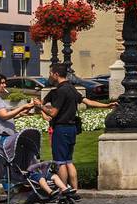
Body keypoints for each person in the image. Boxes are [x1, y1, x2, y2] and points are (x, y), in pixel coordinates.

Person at [33, 63, 115, 194]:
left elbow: (53, 113)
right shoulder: (71, 88)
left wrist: (40, 107)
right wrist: (106, 106)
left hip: (61, 129)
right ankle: (74, 190)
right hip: (72, 129)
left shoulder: (60, 91)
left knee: (60, 162)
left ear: (56, 75)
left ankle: (63, 190)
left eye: (50, 73)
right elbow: (87, 101)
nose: (49, 76)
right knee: (69, 161)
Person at [0, 73, 36, 204]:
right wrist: (22, 107)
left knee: (5, 164)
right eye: (2, 83)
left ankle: (9, 189)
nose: (4, 85)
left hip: (1, 135)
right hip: (0, 136)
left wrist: (20, 113)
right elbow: (4, 116)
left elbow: (4, 116)